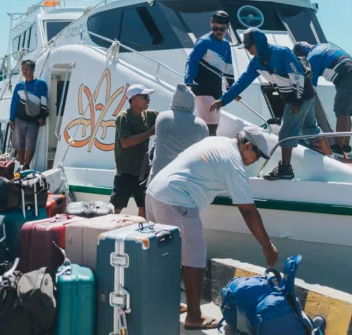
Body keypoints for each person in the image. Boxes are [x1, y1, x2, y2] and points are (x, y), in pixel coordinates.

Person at [146, 126, 279, 331]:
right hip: (176, 200)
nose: (256, 161)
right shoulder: (233, 162)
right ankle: (194, 316)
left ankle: (167, 303)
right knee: (195, 257)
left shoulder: (218, 143)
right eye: (257, 155)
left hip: (155, 192)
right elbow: (248, 211)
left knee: (168, 256)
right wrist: (266, 244)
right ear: (247, 146)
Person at [211, 28, 321, 181]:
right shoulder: (256, 63)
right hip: (299, 96)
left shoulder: (282, 53)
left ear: (259, 43)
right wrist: (223, 100)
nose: (248, 50)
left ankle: (286, 169)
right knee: (311, 129)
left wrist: (296, 100)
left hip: (299, 96)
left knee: (286, 132)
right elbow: (242, 82)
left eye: (249, 46)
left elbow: (297, 75)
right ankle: (329, 155)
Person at [293, 42, 352, 157]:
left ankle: (338, 149)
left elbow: (310, 87)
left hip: (347, 77)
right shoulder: (324, 47)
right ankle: (346, 148)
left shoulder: (312, 57)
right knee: (346, 114)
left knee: (341, 113)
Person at [184, 10, 235, 136]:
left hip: (216, 91)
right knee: (210, 128)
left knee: (214, 126)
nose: (218, 31)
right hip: (202, 89)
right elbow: (192, 62)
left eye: (222, 29)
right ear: (211, 24)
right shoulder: (204, 42)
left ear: (228, 28)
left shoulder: (226, 45)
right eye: (215, 28)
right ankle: (209, 154)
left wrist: (233, 90)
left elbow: (228, 69)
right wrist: (188, 83)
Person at [111, 83, 158, 219]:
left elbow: (165, 119)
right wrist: (149, 133)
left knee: (143, 208)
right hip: (124, 172)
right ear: (134, 99)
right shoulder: (123, 117)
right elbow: (125, 142)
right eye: (145, 97)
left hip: (142, 173)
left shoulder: (149, 115)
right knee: (116, 208)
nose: (148, 100)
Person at [149, 84, 208, 179]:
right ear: (191, 102)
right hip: (185, 179)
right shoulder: (201, 125)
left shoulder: (162, 118)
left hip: (158, 177)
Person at [10, 59, 49, 169]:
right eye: (23, 69)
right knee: (19, 143)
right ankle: (21, 165)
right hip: (19, 119)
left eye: (27, 69)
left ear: (33, 70)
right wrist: (11, 119)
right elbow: (14, 103)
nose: (24, 71)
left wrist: (42, 116)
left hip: (33, 120)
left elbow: (44, 101)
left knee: (30, 143)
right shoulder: (19, 86)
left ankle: (27, 165)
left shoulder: (41, 84)